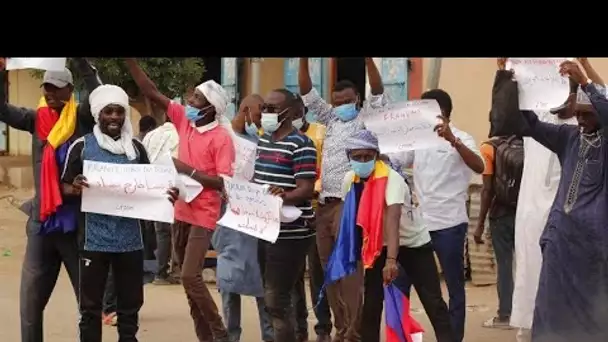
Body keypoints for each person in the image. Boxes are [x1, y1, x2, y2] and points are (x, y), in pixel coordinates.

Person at [125, 59, 233, 342]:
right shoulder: (185, 120)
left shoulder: (221, 138)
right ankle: (206, 337)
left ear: (211, 107)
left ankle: (220, 332)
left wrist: (188, 171)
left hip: (203, 215)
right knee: (189, 286)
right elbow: (151, 91)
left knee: (189, 276)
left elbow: (223, 182)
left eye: (197, 98)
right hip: (181, 209)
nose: (190, 100)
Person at [60, 84, 178, 341]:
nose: (114, 117)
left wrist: (168, 194)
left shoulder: (136, 149)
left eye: (119, 112)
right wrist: (75, 187)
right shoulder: (81, 147)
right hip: (93, 239)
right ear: (97, 114)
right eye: (108, 112)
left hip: (130, 240)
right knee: (90, 307)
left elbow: (152, 184)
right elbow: (64, 186)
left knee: (130, 306)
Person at [0, 57, 102, 342]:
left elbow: (99, 96)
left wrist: (83, 63)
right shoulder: (35, 120)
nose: (50, 93)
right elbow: (2, 110)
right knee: (30, 306)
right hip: (42, 225)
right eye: (47, 88)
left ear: (70, 90)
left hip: (76, 226)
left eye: (57, 88)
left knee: (89, 303)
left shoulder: (82, 118)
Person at [334, 129, 454, 342]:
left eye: (368, 156)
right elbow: (351, 217)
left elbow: (393, 219)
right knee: (371, 304)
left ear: (376, 156)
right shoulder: (349, 181)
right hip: (377, 246)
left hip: (413, 244)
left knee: (432, 301)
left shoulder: (392, 179)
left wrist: (391, 261)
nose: (362, 161)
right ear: (348, 157)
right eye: (357, 157)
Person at [518, 61, 608, 342]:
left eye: (587, 116)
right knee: (549, 306)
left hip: (592, 246)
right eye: (578, 115)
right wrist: (517, 83)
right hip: (560, 241)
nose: (580, 121)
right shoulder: (568, 137)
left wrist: (585, 82)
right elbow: (529, 124)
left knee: (591, 313)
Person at [299, 57, 386, 342]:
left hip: (351, 202)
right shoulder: (330, 118)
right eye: (337, 102)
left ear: (357, 99)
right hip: (324, 204)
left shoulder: (365, 117)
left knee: (350, 269)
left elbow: (377, 88)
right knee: (329, 269)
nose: (341, 105)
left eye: (347, 100)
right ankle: (341, 327)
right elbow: (306, 92)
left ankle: (354, 331)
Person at [389, 89, 485, 342]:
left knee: (454, 286)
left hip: (450, 224)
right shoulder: (419, 140)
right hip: (419, 225)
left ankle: (453, 338)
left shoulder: (463, 137)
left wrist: (453, 140)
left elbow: (479, 166)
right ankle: (401, 335)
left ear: (443, 113)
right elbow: (394, 160)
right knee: (401, 283)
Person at [508, 60, 584, 342]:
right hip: (532, 216)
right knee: (531, 278)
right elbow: (515, 104)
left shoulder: (585, 126)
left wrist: (584, 70)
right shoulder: (539, 121)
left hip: (571, 222)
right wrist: (507, 74)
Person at [255, 88, 317, 342]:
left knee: (276, 299)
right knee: (277, 294)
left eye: (271, 108)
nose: (265, 112)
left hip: (291, 233)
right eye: (264, 108)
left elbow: (305, 189)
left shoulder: (302, 144)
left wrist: (282, 195)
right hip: (264, 228)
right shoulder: (263, 140)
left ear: (290, 113)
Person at [213, 94, 274, 342]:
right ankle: (232, 335)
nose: (260, 121)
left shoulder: (259, 143)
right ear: (246, 110)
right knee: (229, 284)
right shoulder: (223, 138)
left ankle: (269, 336)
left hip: (255, 222)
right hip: (229, 221)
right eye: (259, 115)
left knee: (263, 283)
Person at [476, 58, 525, 329]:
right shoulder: (529, 142)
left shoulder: (489, 147)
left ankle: (505, 314)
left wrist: (480, 223)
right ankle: (528, 310)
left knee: (504, 265)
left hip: (500, 213)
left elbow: (486, 190)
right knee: (527, 261)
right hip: (524, 211)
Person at [290, 97, 332, 342]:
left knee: (317, 274)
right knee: (294, 276)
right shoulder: (280, 138)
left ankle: (323, 327)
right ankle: (299, 328)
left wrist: (315, 189)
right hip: (292, 214)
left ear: (303, 112)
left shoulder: (321, 132)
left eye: (296, 112)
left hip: (317, 212)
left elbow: (329, 166)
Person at [139, 115, 182, 285]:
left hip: (153, 186)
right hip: (174, 188)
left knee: (160, 231)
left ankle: (160, 271)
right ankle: (168, 270)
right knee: (175, 231)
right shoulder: (180, 135)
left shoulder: (151, 135)